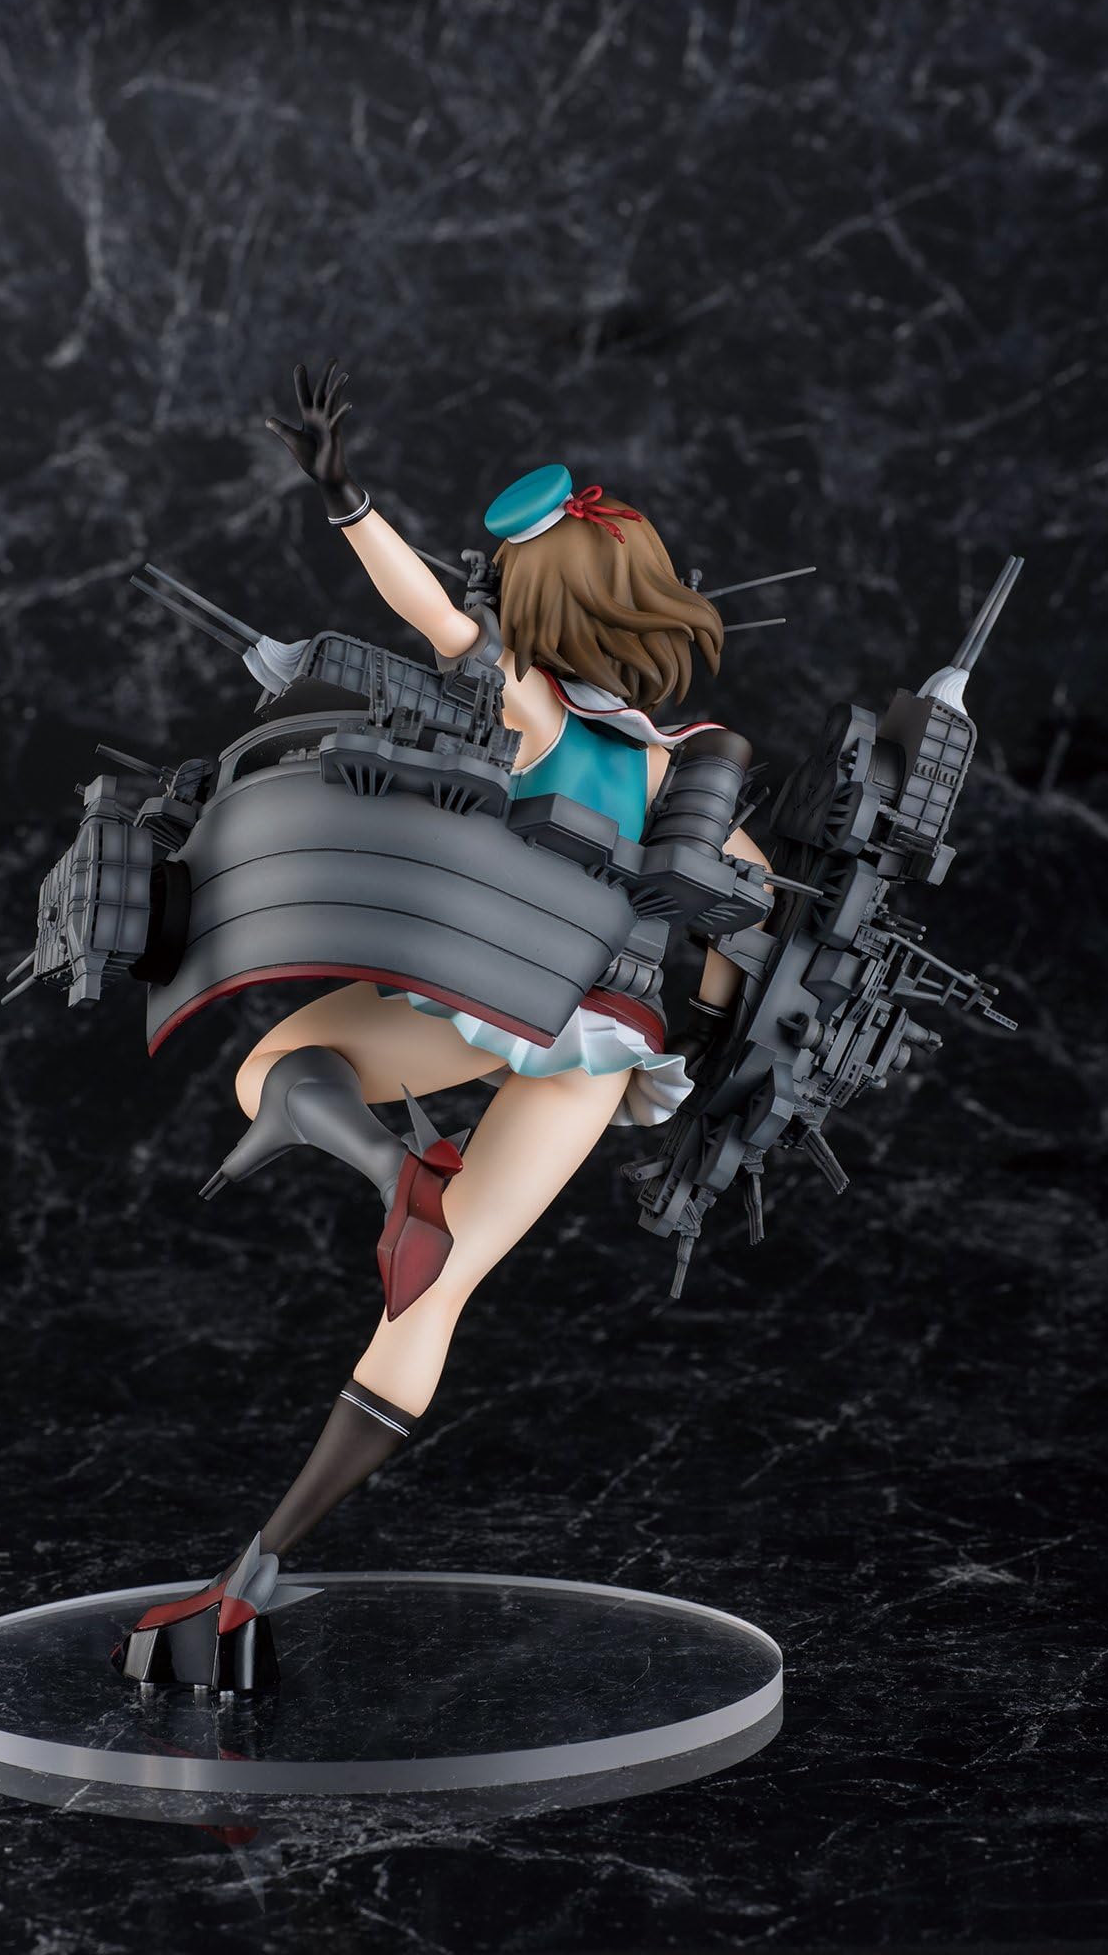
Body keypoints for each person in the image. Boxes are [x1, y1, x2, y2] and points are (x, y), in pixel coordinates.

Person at [119, 362, 769, 1682]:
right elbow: (747, 913)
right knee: (434, 1296)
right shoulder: (671, 757)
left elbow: (426, 610)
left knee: (278, 1070)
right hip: (598, 1033)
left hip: (497, 996)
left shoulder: (530, 699)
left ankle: (389, 1171)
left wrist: (346, 499)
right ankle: (252, 1578)